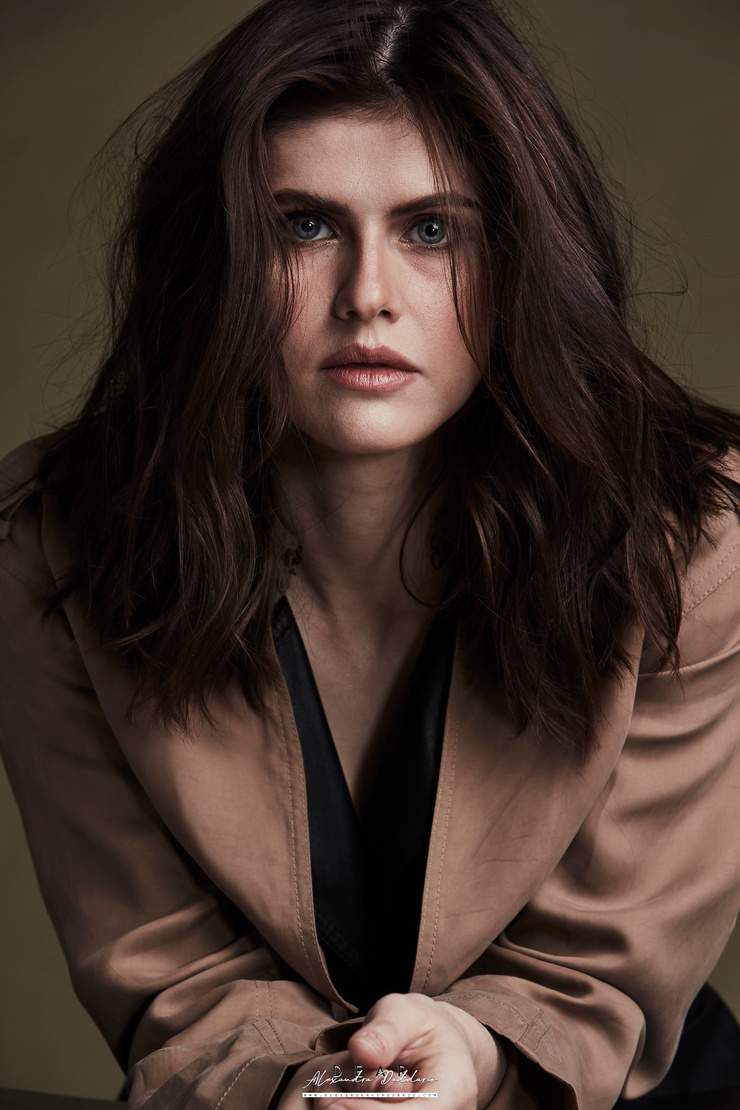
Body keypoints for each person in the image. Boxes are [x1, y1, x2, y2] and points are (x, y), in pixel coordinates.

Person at [1, 0, 740, 1106]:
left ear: (522, 255)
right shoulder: (50, 548)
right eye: (303, 226)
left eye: (432, 230)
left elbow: (606, 968)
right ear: (214, 258)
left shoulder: (694, 537)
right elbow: (167, 975)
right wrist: (318, 1088)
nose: (368, 298)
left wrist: (480, 1060)